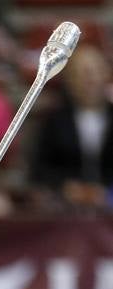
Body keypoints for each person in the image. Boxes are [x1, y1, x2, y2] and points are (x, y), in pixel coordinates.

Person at [29, 44, 113, 213]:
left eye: (94, 71)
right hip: (64, 207)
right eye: (81, 73)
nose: (89, 79)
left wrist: (103, 192)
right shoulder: (53, 120)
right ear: (69, 79)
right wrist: (67, 187)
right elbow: (39, 170)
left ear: (106, 74)